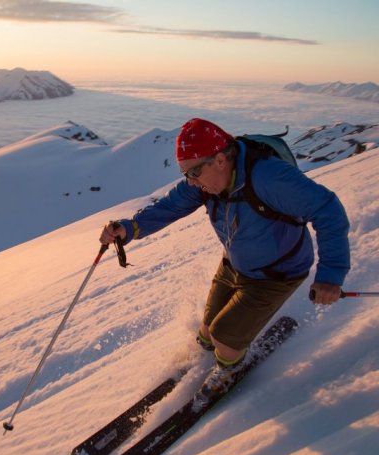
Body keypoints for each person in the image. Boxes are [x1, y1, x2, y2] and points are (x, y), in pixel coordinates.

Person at [99, 118, 350, 375]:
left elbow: (327, 209)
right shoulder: (207, 180)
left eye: (194, 173)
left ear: (220, 159)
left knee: (223, 338)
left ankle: (228, 371)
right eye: (186, 174)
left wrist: (331, 276)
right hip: (234, 264)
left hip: (276, 274)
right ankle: (217, 352)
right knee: (206, 333)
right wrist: (130, 228)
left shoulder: (268, 177)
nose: (191, 182)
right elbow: (170, 206)